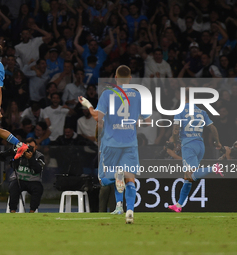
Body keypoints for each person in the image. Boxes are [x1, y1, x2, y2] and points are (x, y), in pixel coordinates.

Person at [78, 65, 151, 224]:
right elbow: (148, 121)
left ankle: (119, 190)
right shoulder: (137, 95)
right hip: (130, 142)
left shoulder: (108, 94)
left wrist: (88, 105)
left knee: (104, 179)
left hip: (111, 143)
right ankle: (127, 209)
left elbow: (98, 118)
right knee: (129, 177)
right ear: (130, 79)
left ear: (115, 78)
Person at [168, 88, 223, 213]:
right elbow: (212, 127)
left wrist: (176, 142)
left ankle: (213, 168)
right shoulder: (201, 111)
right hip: (200, 145)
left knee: (191, 174)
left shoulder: (180, 110)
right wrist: (217, 141)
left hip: (188, 145)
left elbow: (175, 128)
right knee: (188, 178)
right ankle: (179, 205)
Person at [0, 137, 45, 213]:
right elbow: (13, 166)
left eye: (32, 147)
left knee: (38, 189)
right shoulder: (20, 152)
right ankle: (12, 211)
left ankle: (32, 211)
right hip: (19, 179)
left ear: (36, 147)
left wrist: (30, 158)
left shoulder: (40, 156)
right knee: (13, 187)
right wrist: (17, 156)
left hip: (33, 181)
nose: (30, 149)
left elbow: (38, 170)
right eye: (28, 147)